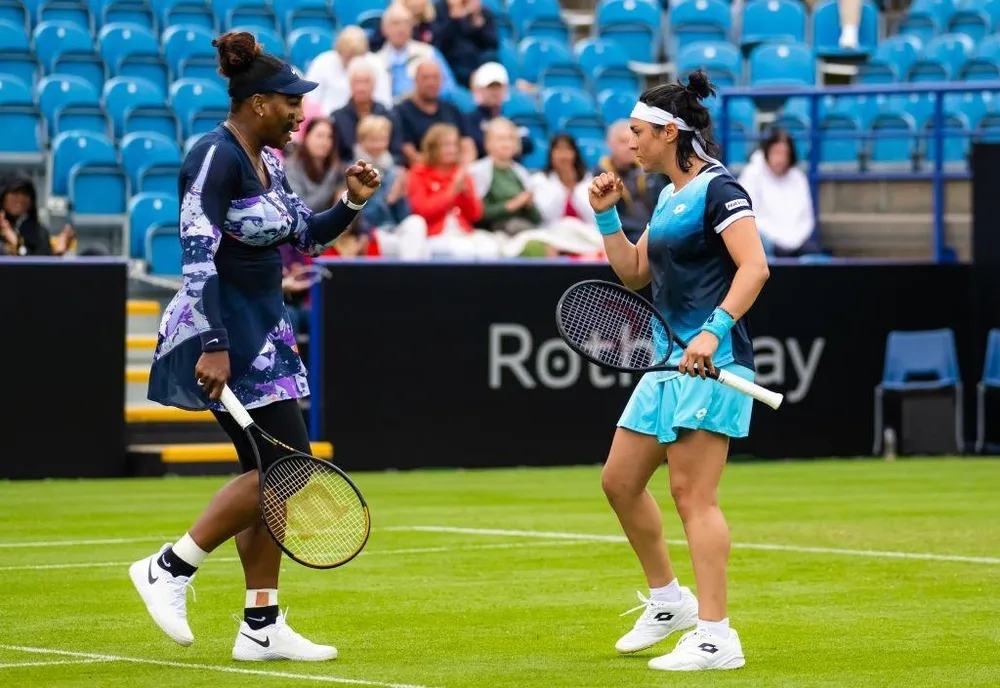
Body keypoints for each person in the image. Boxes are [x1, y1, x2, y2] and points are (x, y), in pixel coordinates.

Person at [130, 31, 382, 662]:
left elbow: (307, 235)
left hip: (263, 331)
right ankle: (168, 568)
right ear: (260, 103)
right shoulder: (213, 157)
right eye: (292, 103)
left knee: (272, 477)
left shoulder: (268, 160)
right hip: (222, 332)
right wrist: (214, 344)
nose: (301, 113)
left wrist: (351, 202)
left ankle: (260, 624)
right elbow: (196, 256)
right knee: (285, 469)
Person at [589, 69, 769, 672]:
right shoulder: (668, 196)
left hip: (713, 362)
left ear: (670, 133)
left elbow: (754, 268)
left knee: (693, 496)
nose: (630, 143)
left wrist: (713, 330)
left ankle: (717, 636)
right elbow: (635, 273)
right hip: (669, 361)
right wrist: (608, 217)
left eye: (637, 132)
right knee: (619, 482)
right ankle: (670, 601)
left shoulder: (720, 190)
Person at [737, 128, 821, 258]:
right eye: (776, 152)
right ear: (767, 151)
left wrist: (795, 240)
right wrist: (777, 239)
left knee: (815, 256)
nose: (780, 159)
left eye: (785, 153)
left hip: (797, 242)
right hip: (765, 242)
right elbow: (748, 217)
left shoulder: (798, 177)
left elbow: (806, 218)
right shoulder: (752, 174)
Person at [593, 120, 666, 244]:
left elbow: (661, 207)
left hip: (652, 233)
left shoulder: (649, 171)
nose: (628, 147)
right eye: (622, 142)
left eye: (632, 140)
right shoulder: (601, 176)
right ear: (609, 144)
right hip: (622, 236)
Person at [303, 26, 392, 114]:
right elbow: (310, 100)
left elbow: (384, 102)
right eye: (348, 57)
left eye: (356, 57)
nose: (351, 64)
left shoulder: (376, 65)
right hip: (328, 119)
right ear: (338, 51)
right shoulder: (322, 62)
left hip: (367, 119)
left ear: (364, 53)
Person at [0, 173, 75, 256]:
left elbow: (40, 261)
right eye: (15, 192)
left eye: (25, 194)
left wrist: (55, 254)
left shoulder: (39, 232)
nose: (20, 198)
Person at [283, 117, 345, 213]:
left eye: (330, 137)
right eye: (319, 136)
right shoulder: (291, 167)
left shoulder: (338, 169)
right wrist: (330, 181)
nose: (325, 142)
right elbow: (302, 208)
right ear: (306, 137)